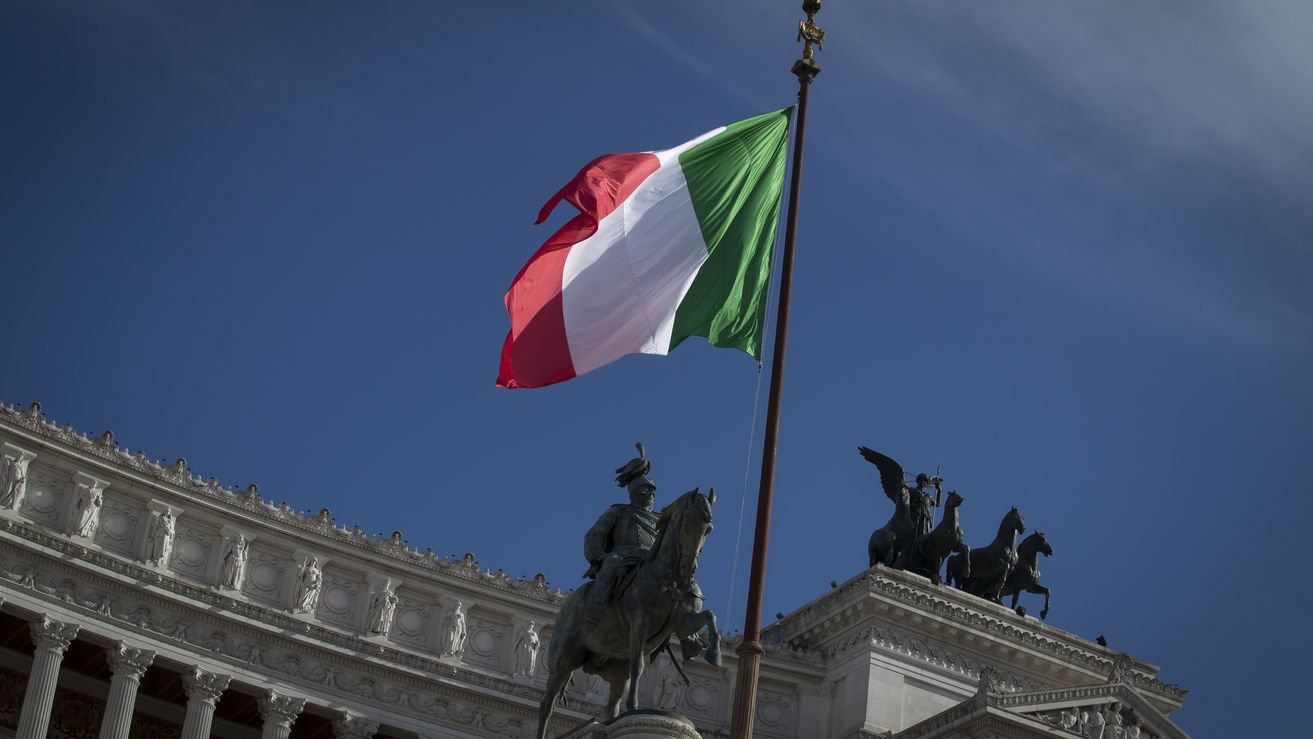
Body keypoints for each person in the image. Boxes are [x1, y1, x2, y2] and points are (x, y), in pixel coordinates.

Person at [583, 449, 662, 623]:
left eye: (652, 492)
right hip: (624, 556)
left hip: (652, 560)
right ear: (634, 493)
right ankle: (598, 605)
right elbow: (594, 535)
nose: (651, 495)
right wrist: (598, 556)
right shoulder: (618, 512)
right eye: (645, 490)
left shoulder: (661, 520)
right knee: (611, 563)